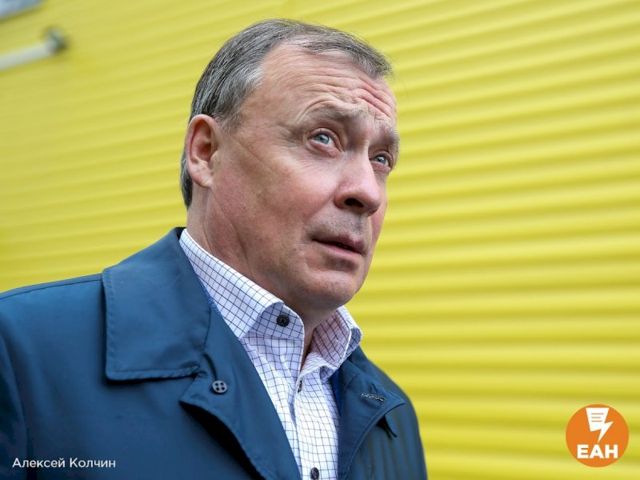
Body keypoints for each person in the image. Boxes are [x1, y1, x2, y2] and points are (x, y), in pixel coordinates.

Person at [0, 19, 427, 480]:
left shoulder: (391, 415)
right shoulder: (22, 354)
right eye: (323, 138)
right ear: (206, 152)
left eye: (381, 159)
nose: (368, 192)